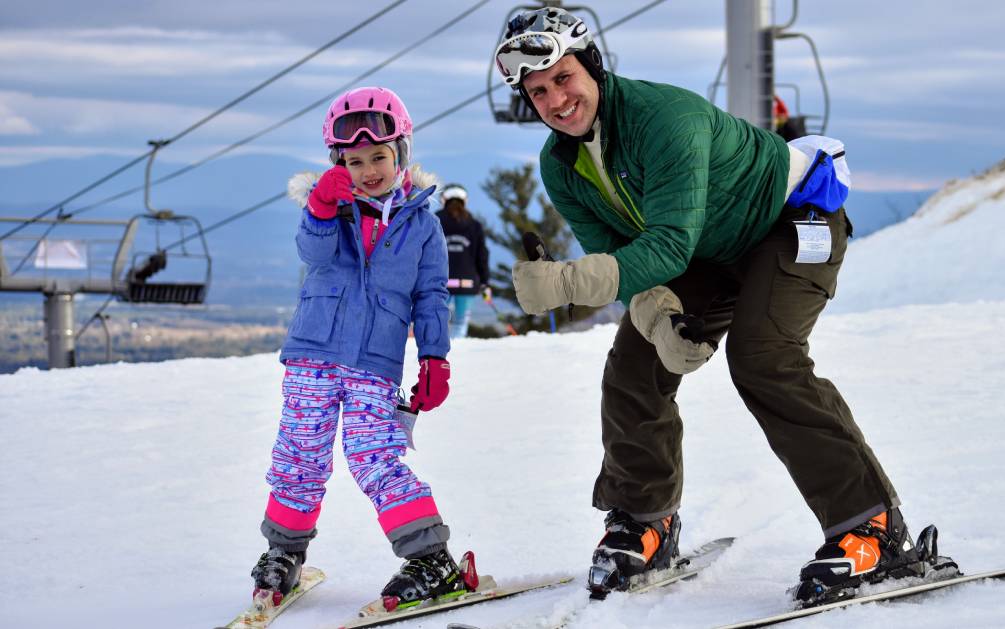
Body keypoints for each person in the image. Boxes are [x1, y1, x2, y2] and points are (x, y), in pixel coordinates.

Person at [495, 8, 934, 603]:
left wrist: (568, 282)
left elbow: (667, 242)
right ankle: (644, 523)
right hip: (709, 252)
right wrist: (659, 319)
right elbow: (624, 259)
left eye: (563, 78)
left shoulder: (664, 118)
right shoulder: (561, 163)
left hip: (790, 224)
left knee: (764, 356)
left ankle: (873, 528)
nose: (555, 99)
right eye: (537, 91)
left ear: (592, 67)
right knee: (633, 362)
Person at [252, 86, 464, 611]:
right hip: (313, 354)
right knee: (299, 453)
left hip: (375, 363)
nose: (368, 170)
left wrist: (434, 358)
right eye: (354, 161)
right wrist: (324, 206)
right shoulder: (327, 212)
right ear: (337, 164)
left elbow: (431, 295)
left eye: (379, 157)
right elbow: (313, 253)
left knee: (376, 458)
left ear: (401, 156)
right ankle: (284, 552)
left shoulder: (423, 224)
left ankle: (430, 558)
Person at [435, 184, 490, 339]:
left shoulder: (435, 222)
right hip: (468, 282)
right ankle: (458, 351)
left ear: (443, 199)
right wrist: (485, 282)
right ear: (464, 200)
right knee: (460, 323)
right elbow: (482, 256)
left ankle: (439, 351)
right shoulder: (475, 225)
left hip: (441, 282)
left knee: (438, 320)